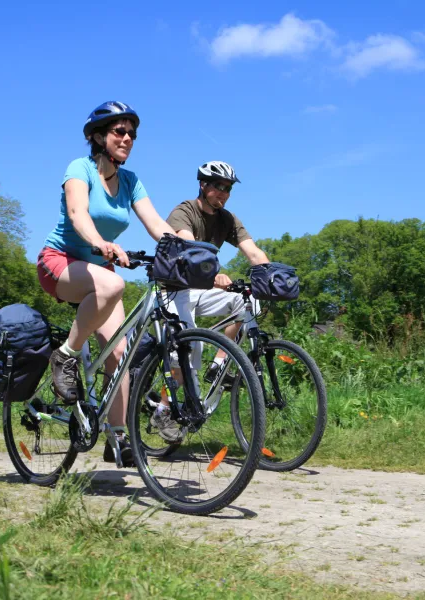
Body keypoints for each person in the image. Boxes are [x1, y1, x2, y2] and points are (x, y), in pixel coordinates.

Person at [36, 101, 177, 466]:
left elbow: (155, 223)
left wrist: (186, 249)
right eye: (119, 131)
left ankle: (118, 439)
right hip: (61, 263)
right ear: (98, 137)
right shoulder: (78, 168)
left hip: (101, 274)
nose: (128, 138)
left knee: (120, 354)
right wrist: (100, 243)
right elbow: (77, 212)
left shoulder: (130, 181)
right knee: (113, 286)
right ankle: (65, 356)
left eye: (132, 133)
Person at [152, 160, 269, 443]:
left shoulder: (227, 219)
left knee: (249, 304)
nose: (224, 193)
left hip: (202, 291)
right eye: (219, 187)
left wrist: (272, 276)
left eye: (228, 189)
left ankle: (220, 363)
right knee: (191, 345)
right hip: (174, 290)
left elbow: (253, 252)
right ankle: (163, 411)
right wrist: (215, 273)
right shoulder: (184, 211)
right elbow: (191, 247)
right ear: (203, 185)